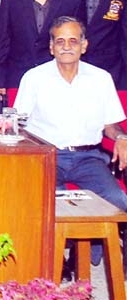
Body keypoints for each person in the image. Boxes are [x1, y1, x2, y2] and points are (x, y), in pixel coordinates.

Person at [14, 16, 127, 214]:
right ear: (51, 47)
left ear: (83, 45)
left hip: (89, 159)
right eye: (60, 41)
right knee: (54, 207)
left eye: (73, 41)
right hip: (48, 158)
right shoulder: (34, 78)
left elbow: (110, 124)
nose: (66, 46)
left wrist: (121, 137)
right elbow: (18, 125)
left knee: (117, 201)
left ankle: (96, 246)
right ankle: (61, 246)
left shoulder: (101, 79)